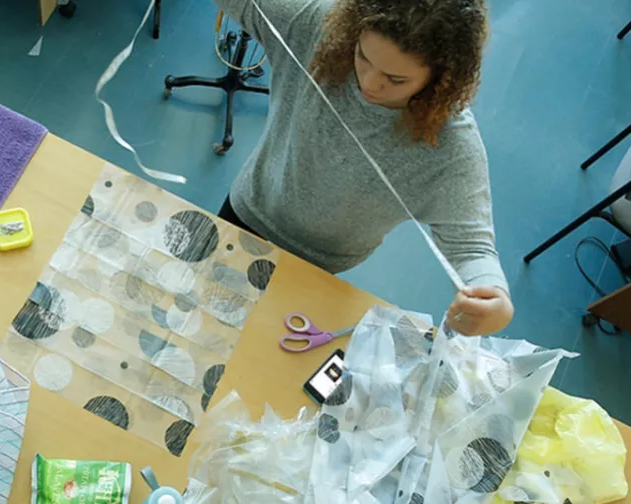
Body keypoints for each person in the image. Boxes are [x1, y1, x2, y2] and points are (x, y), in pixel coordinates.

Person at [212, 0, 512, 335]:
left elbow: (472, 247)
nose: (369, 83)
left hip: (318, 264)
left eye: (395, 79)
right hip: (247, 212)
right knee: (203, 311)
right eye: (363, 57)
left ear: (442, 78)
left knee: (258, 342)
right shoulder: (318, 28)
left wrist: (492, 297)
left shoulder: (450, 148)